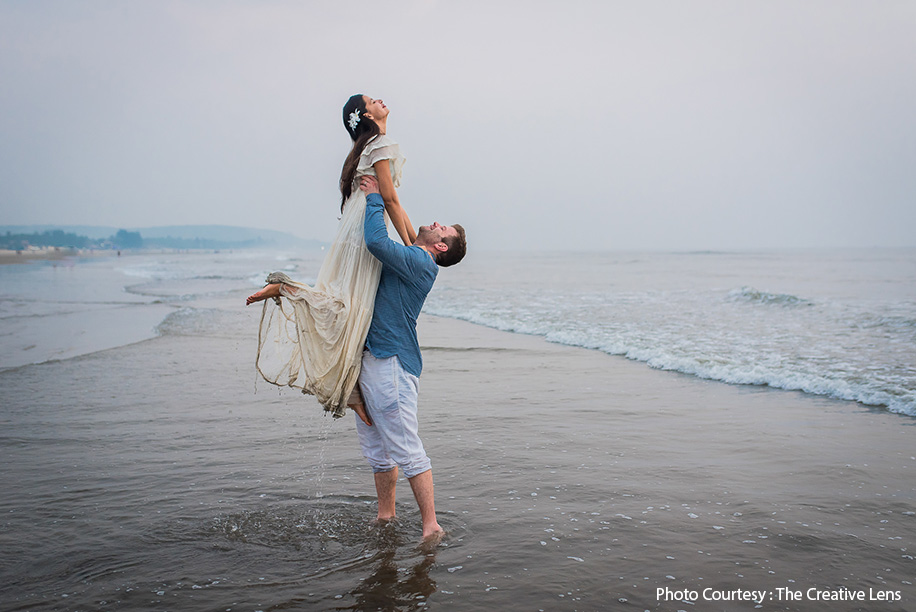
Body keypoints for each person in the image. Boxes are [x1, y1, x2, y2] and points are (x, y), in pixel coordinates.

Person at [246, 95, 415, 421]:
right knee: (351, 308)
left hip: (354, 233)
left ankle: (352, 387)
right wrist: (411, 250)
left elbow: (395, 203)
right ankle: (285, 290)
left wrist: (412, 245)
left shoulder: (364, 149)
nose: (380, 99)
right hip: (365, 233)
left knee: (347, 306)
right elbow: (392, 201)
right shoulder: (381, 144)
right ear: (366, 114)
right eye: (372, 99)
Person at [355, 174, 466, 542]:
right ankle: (386, 515)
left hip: (392, 364)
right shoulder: (415, 252)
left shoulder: (420, 261)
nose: (435, 222)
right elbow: (400, 212)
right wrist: (385, 189)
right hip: (374, 361)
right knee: (377, 450)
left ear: (442, 248)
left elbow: (375, 241)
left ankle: (430, 525)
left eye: (442, 228)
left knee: (406, 447)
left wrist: (372, 198)